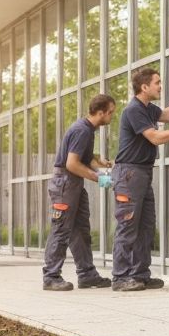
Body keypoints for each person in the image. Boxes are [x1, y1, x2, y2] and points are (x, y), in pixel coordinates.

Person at [112, 68, 169, 292]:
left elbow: (167, 115)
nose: (160, 86)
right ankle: (120, 277)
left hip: (142, 173)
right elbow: (155, 137)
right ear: (144, 87)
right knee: (127, 226)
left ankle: (140, 274)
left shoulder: (148, 109)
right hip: (129, 174)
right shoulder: (133, 110)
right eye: (157, 83)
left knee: (145, 226)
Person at [43, 93, 116, 292]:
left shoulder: (87, 129)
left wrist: (100, 164)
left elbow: (84, 157)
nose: (111, 116)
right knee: (61, 230)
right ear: (100, 112)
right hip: (65, 184)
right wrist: (98, 178)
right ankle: (51, 276)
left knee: (80, 230)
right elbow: (72, 163)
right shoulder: (82, 130)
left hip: (73, 183)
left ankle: (87, 275)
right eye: (110, 113)